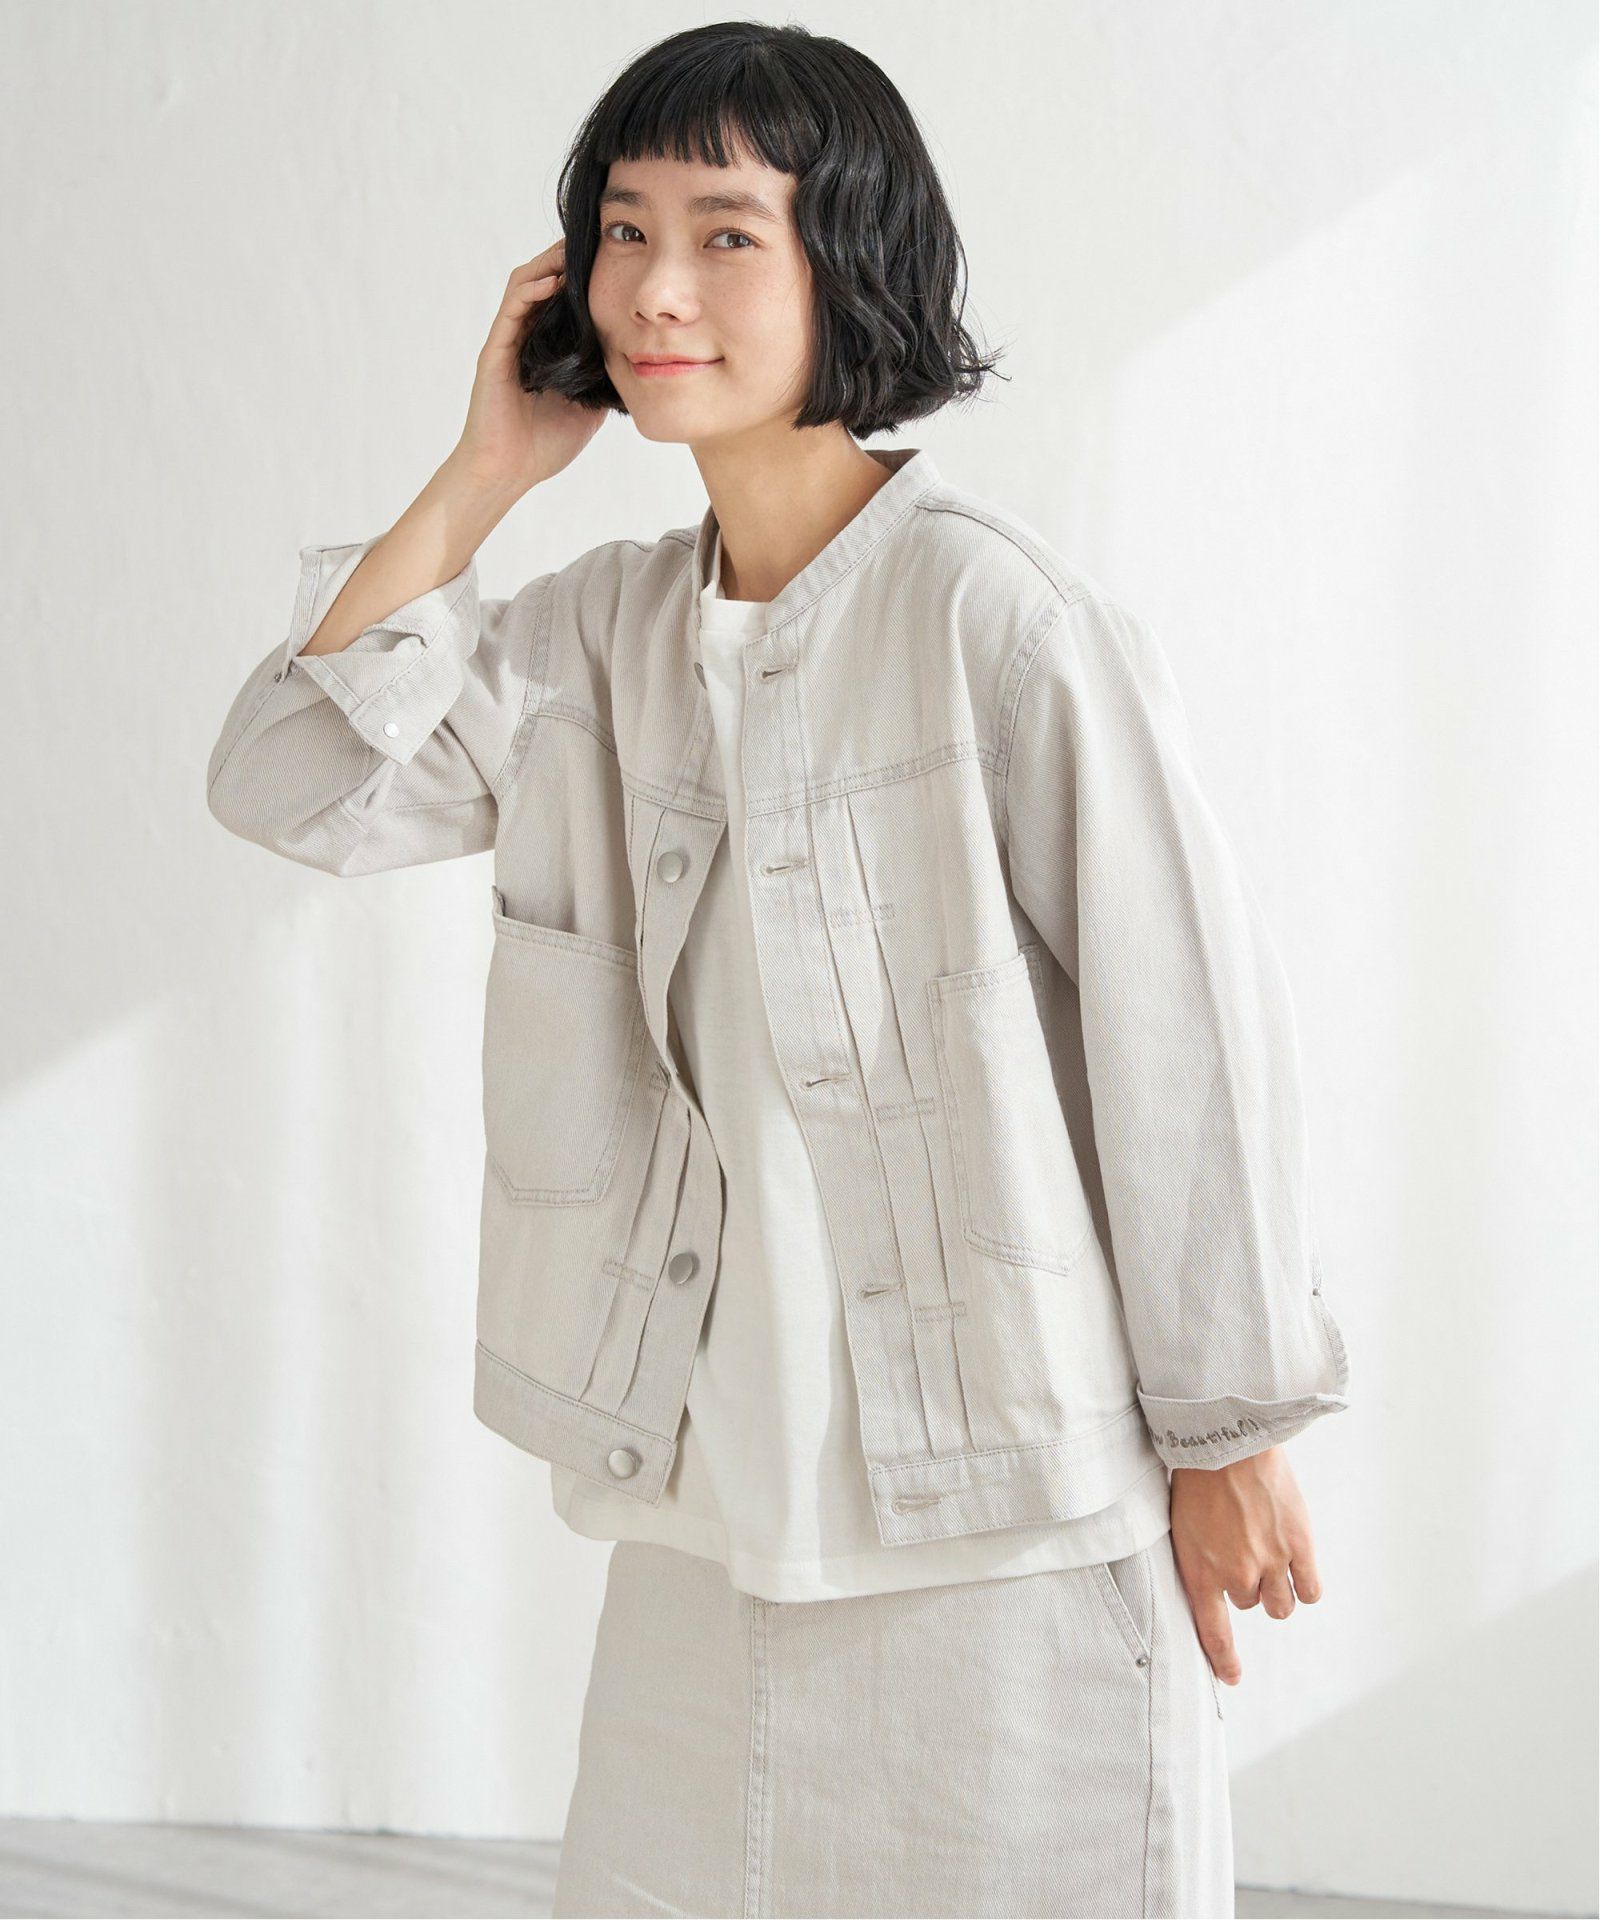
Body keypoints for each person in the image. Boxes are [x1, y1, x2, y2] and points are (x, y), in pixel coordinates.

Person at [206, 21, 1350, 1919]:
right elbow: (289, 782)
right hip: (702, 1563)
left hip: (1005, 1558)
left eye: (727, 234)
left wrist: (1236, 1434)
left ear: (854, 260)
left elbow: (1189, 1043)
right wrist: (482, 477)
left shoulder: (998, 620)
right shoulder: (590, 643)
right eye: (623, 231)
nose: (656, 288)